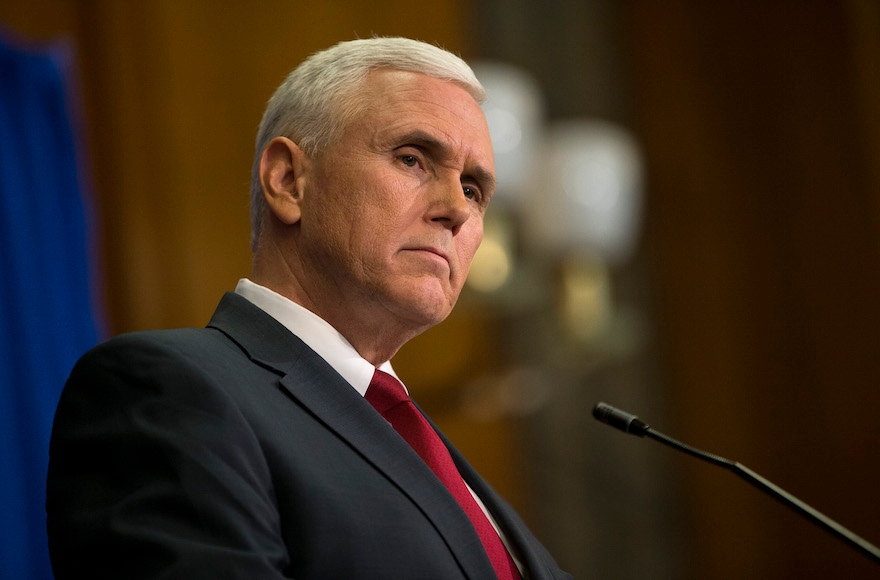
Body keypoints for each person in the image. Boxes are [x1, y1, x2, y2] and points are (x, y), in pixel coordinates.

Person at [46, 37, 571, 579]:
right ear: (289, 180)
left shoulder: (431, 454)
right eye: (413, 158)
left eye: (473, 188)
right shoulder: (166, 391)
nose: (457, 210)